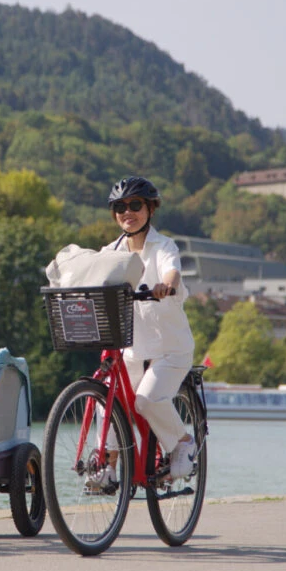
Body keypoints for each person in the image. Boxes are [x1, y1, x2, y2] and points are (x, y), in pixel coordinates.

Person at [103, 176, 196, 480]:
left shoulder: (164, 246)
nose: (126, 212)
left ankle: (183, 442)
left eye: (134, 205)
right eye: (120, 207)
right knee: (109, 402)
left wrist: (165, 285)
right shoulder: (111, 251)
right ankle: (108, 467)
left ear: (151, 209)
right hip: (132, 349)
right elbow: (91, 273)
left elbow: (172, 273)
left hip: (170, 349)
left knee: (147, 400)